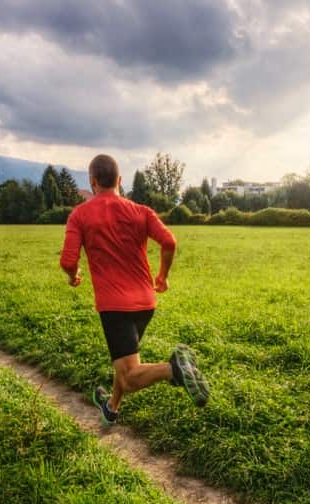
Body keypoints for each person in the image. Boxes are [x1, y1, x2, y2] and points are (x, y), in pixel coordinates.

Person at [60, 154, 209, 426]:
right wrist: (162, 276)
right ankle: (111, 407)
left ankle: (174, 369)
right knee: (127, 361)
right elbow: (169, 242)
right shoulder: (142, 211)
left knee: (128, 377)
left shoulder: (80, 215)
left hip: (114, 306)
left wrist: (74, 276)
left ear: (92, 182)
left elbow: (68, 261)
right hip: (146, 302)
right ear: (119, 180)